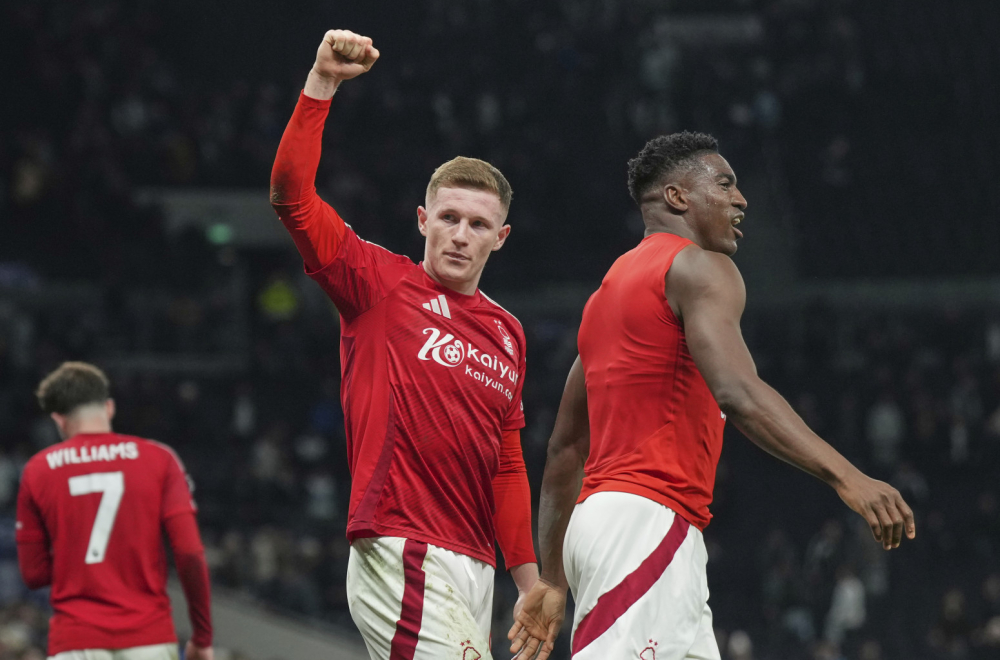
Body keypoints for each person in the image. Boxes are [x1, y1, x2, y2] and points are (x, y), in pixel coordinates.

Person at [509, 133, 916, 659]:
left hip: (611, 524)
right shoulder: (700, 267)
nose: (741, 199)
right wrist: (848, 477)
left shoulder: (606, 294)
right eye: (724, 184)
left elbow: (564, 450)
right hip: (645, 521)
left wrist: (553, 579)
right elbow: (738, 391)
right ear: (677, 197)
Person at [269, 30, 537, 659]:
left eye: (478, 224)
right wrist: (321, 84)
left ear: (500, 237)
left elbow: (506, 463)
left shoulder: (508, 332)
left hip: (476, 566)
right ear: (423, 221)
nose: (461, 235)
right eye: (449, 218)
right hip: (402, 543)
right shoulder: (377, 283)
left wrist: (529, 583)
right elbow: (292, 198)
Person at [16, 362, 213, 660]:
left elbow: (34, 574)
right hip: (148, 637)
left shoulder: (37, 470)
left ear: (59, 419)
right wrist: (202, 636)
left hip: (75, 640)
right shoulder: (160, 459)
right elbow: (189, 553)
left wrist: (77, 560)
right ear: (109, 407)